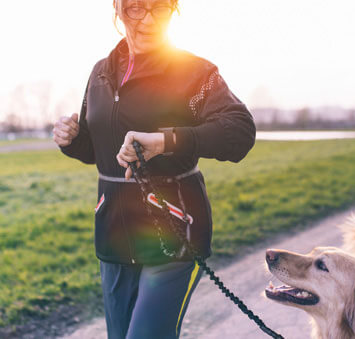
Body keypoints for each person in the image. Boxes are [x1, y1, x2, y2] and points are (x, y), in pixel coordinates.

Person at [52, 0, 256, 337]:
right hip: (114, 235)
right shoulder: (100, 73)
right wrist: (71, 139)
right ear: (117, 9)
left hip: (173, 232)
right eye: (135, 8)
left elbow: (239, 131)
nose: (148, 19)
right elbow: (96, 148)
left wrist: (166, 141)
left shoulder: (194, 75)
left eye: (159, 8)